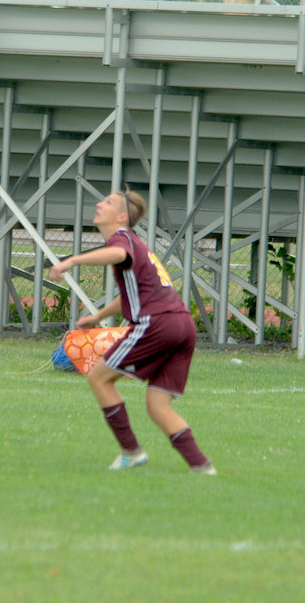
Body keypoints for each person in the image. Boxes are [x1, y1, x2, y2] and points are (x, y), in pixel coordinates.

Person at [48, 189, 215, 475]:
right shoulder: (137, 245)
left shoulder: (122, 239)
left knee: (99, 377)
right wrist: (100, 316)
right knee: (157, 404)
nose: (100, 204)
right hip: (182, 325)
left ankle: (130, 452)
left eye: (109, 202)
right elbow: (132, 293)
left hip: (158, 323)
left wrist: (72, 261)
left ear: (122, 217)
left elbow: (118, 253)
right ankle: (201, 466)